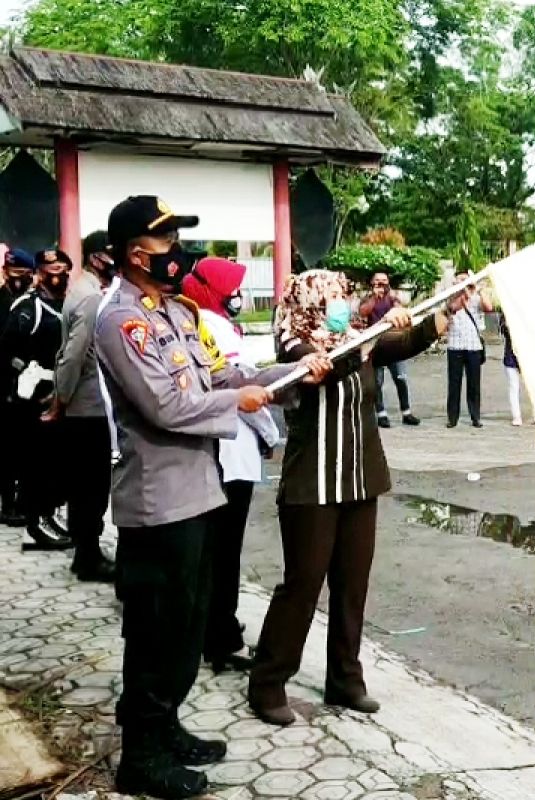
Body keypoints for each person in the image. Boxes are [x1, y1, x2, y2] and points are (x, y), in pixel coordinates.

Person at [95, 195, 329, 799]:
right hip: (157, 502)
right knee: (155, 631)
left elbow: (218, 375)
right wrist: (239, 403)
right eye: (167, 242)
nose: (179, 253)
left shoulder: (174, 313)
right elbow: (166, 405)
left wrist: (285, 376)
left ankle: (166, 725)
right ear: (134, 253)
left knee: (187, 624)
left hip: (197, 493)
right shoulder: (121, 321)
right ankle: (140, 756)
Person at [248, 270, 456, 727]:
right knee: (302, 585)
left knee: (352, 584)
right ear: (310, 304)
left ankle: (345, 678)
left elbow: (402, 344)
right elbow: (326, 370)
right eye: (333, 299)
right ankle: (268, 682)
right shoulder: (294, 342)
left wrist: (444, 311)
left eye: (343, 297)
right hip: (314, 482)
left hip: (360, 477)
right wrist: (371, 337)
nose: (342, 305)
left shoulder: (359, 337)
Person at [180, 256, 280, 674]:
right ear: (212, 288)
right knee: (224, 552)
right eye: (231, 288)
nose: (237, 295)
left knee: (212, 551)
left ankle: (211, 630)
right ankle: (220, 636)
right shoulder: (213, 328)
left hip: (220, 450)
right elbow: (243, 387)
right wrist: (272, 435)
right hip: (232, 450)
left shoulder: (200, 321)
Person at [49, 232, 119, 580]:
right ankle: (88, 556)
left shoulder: (84, 291)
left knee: (85, 484)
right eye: (110, 254)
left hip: (84, 404)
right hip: (88, 407)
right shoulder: (91, 298)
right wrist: (61, 398)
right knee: (91, 486)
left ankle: (86, 553)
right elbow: (73, 355)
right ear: (95, 258)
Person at [0, 248, 72, 548]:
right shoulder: (28, 307)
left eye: (61, 268)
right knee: (35, 463)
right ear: (40, 273)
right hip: (32, 394)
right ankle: (35, 520)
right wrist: (23, 372)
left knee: (54, 463)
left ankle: (49, 513)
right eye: (49, 269)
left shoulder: (66, 304)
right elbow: (5, 349)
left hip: (58, 390)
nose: (56, 275)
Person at [357, 272, 419, 428]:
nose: (381, 284)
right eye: (377, 281)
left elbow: (403, 309)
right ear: (371, 282)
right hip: (376, 344)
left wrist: (393, 297)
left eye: (384, 281)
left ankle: (406, 412)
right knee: (377, 381)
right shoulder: (366, 297)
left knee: (400, 378)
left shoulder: (392, 296)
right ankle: (381, 414)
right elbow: (363, 311)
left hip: (394, 342)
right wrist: (374, 297)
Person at [0, 249, 34, 526]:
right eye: (14, 275)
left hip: (28, 385)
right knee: (7, 450)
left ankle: (23, 502)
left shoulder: (29, 302)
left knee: (23, 448)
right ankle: (8, 504)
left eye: (24, 275)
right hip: (4, 384)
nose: (18, 280)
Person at [445, 270, 493, 428]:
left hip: (473, 346)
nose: (463, 282)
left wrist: (477, 288)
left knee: (474, 384)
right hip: (455, 345)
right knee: (454, 383)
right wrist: (460, 291)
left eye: (465, 280)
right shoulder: (450, 296)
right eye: (459, 280)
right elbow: (451, 307)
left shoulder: (477, 297)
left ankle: (475, 416)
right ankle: (452, 417)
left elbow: (488, 307)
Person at [498, 310, 522, 426]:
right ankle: (516, 415)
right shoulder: (507, 311)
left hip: (527, 356)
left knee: (532, 387)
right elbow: (502, 329)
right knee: (513, 385)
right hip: (511, 354)